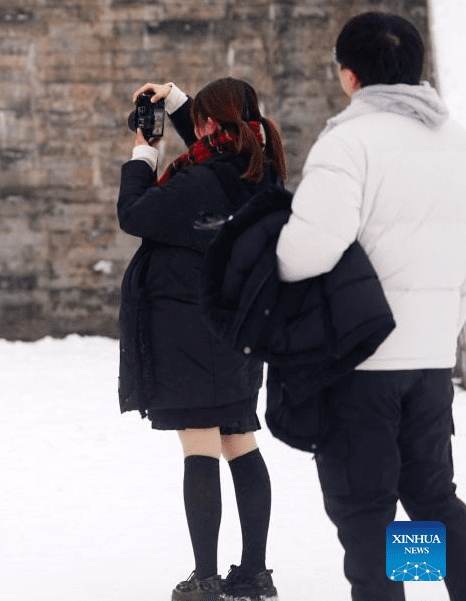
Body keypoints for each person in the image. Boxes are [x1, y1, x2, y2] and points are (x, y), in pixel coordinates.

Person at [275, 11, 466, 601]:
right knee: (427, 494)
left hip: (362, 361)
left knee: (367, 510)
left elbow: (306, 253)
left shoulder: (350, 142)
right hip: (432, 355)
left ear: (350, 77)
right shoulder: (455, 139)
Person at [117, 77, 287, 601]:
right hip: (236, 331)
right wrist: (176, 101)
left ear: (214, 125)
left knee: (200, 446)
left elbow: (135, 213)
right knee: (239, 440)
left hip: (190, 329)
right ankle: (255, 574)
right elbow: (214, 146)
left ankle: (206, 578)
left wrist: (143, 155)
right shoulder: (259, 170)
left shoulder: (199, 184)